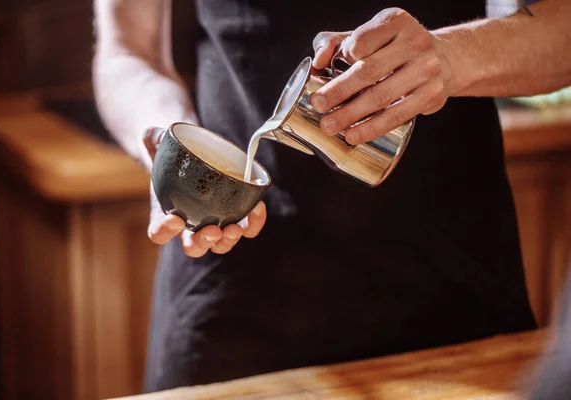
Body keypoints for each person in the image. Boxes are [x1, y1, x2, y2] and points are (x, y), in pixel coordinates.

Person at [93, 0, 571, 392]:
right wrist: (165, 141)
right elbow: (127, 51)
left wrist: (451, 56)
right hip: (233, 284)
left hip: (455, 276)